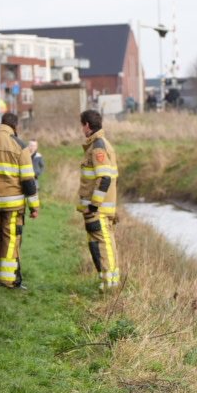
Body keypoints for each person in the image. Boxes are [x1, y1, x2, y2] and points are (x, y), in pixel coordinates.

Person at [0, 111, 38, 289]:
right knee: (10, 238)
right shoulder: (20, 145)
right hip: (12, 204)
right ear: (15, 126)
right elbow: (28, 180)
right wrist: (34, 207)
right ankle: (7, 279)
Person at [78, 109, 120, 290]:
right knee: (105, 243)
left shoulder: (98, 147)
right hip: (102, 207)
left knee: (103, 244)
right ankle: (110, 283)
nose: (82, 129)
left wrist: (94, 206)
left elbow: (104, 178)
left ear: (87, 125)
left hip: (98, 209)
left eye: (82, 126)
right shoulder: (101, 144)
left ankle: (110, 285)